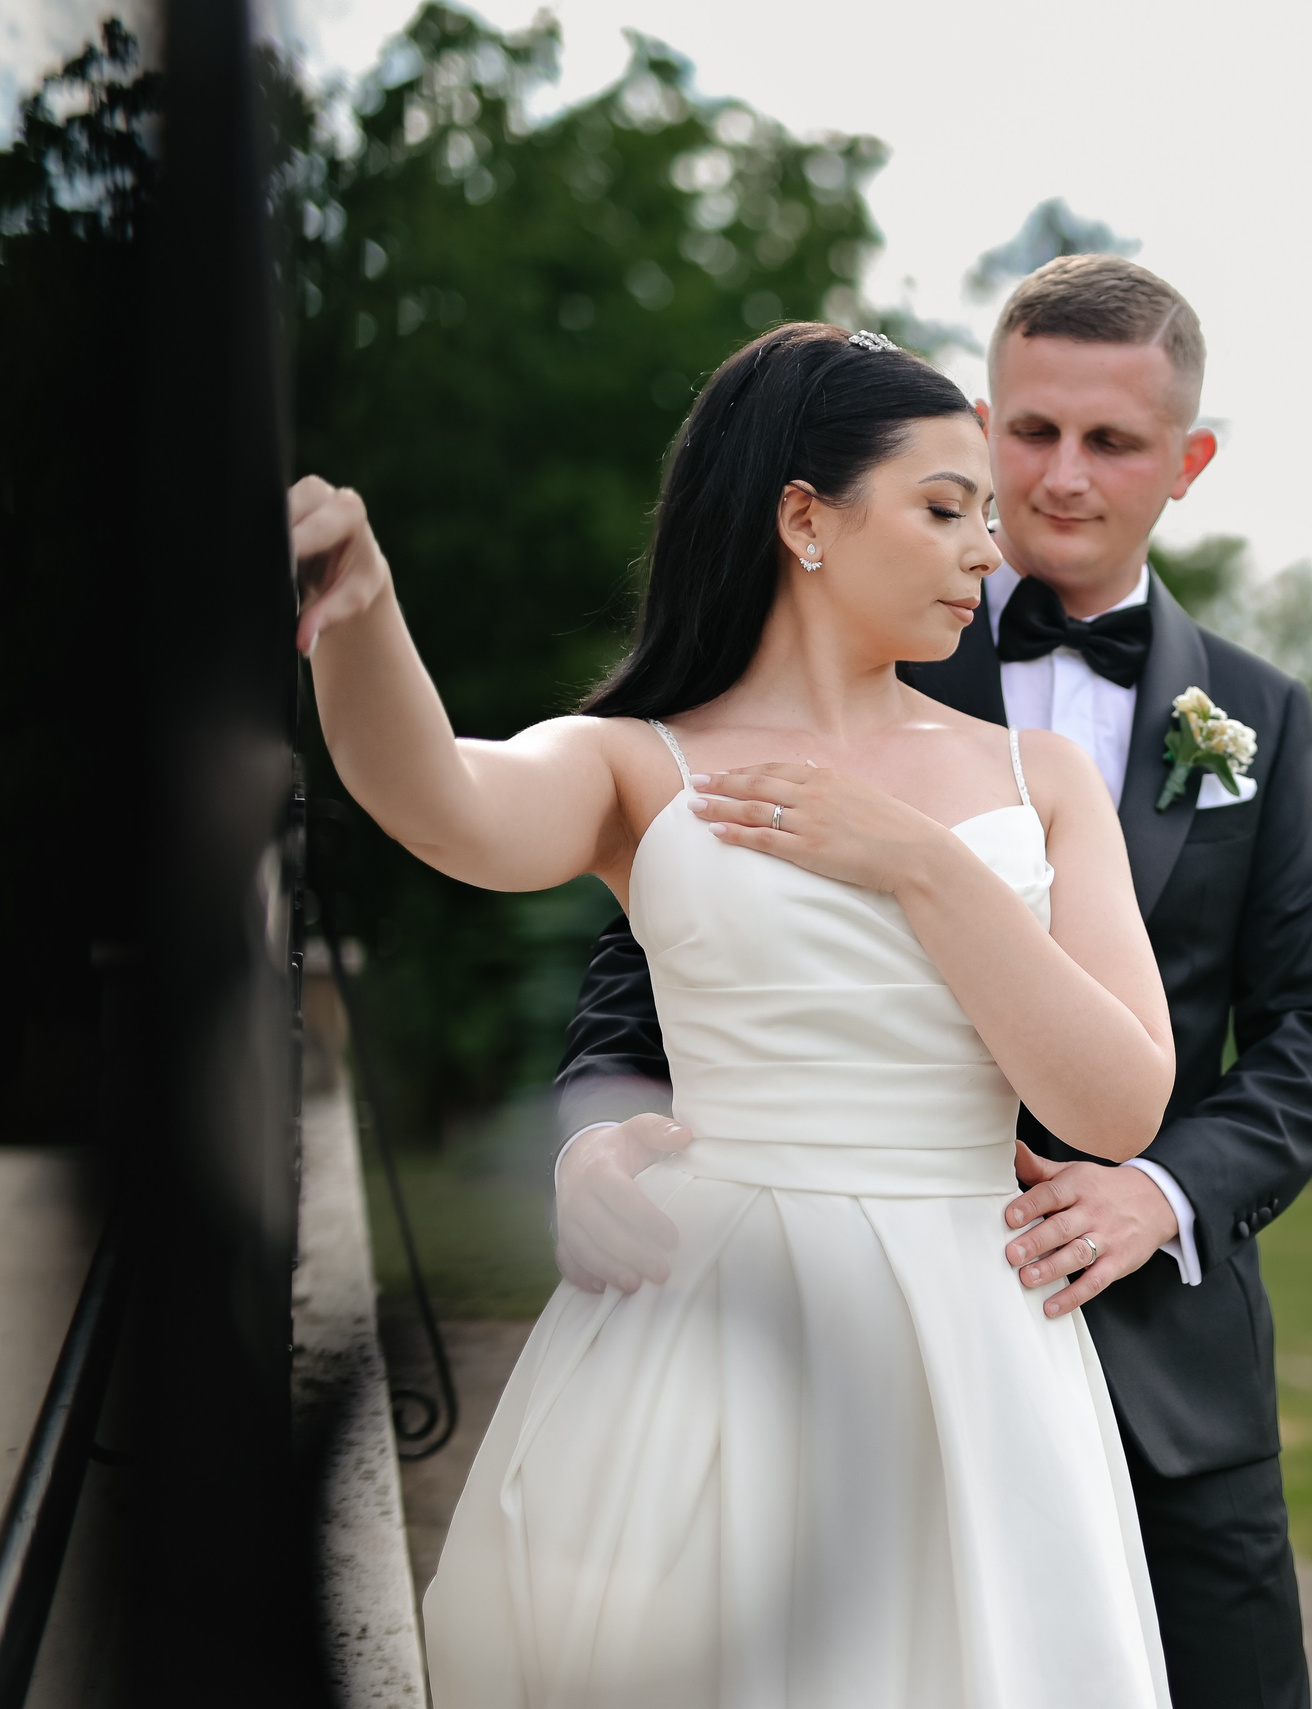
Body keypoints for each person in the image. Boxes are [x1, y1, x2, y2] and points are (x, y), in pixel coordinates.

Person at [292, 323, 1182, 1706]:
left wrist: (922, 864)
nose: (988, 550)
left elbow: (1117, 1107)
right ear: (805, 519)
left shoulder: (1044, 778)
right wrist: (361, 613)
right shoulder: (635, 763)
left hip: (972, 1336)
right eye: (946, 508)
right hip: (708, 1324)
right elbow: (441, 803)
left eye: (984, 517)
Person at [553, 256, 1312, 1709]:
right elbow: (658, 934)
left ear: (1186, 463)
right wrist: (597, 1127)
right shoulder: (853, 648)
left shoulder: (1256, 711)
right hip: (863, 1346)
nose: (1061, 477)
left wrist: (1158, 1192)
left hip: (1173, 1364)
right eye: (1031, 431)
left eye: (1112, 441)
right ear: (983, 426)